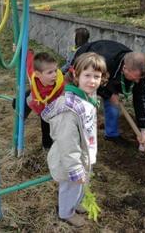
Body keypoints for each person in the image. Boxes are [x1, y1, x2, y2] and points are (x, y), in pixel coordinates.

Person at [41, 52, 108, 227]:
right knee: (70, 187)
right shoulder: (69, 110)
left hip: (83, 154)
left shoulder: (87, 96)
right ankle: (66, 212)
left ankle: (76, 203)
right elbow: (67, 143)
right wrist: (75, 168)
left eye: (97, 76)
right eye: (87, 75)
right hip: (70, 160)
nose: (92, 81)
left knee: (81, 184)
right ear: (76, 75)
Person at [73, 40, 145, 146]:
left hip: (110, 74)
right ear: (125, 69)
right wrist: (109, 94)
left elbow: (140, 98)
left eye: (138, 78)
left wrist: (144, 129)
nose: (137, 81)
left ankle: (111, 135)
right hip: (86, 62)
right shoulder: (106, 61)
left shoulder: (139, 71)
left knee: (113, 105)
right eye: (134, 78)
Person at [12, 50, 65, 149]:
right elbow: (29, 61)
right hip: (35, 96)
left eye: (55, 70)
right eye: (50, 72)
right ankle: (20, 108)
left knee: (46, 126)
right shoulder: (33, 74)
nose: (54, 75)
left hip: (47, 108)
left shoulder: (60, 85)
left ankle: (47, 146)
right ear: (38, 74)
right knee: (19, 105)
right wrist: (21, 50)